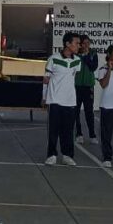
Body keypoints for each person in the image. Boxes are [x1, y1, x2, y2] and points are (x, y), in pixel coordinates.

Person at [44, 32, 81, 166]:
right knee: (53, 130)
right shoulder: (53, 59)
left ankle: (67, 155)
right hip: (54, 100)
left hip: (70, 101)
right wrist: (44, 97)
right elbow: (46, 79)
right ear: (67, 44)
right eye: (76, 43)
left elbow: (73, 77)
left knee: (68, 130)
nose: (79, 46)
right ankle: (51, 155)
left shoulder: (77, 61)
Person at [74, 34, 99, 145]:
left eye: (88, 43)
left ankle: (92, 134)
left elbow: (93, 67)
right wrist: (81, 55)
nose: (86, 45)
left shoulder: (93, 53)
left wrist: (86, 55)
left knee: (89, 111)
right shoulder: (75, 54)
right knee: (76, 111)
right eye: (84, 43)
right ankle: (79, 134)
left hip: (88, 86)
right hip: (77, 86)